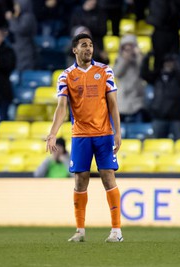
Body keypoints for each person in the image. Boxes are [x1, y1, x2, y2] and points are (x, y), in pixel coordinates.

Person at [45, 33, 123, 243]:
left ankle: (116, 231)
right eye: (84, 45)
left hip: (104, 133)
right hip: (80, 135)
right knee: (80, 181)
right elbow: (62, 107)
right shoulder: (66, 76)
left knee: (108, 176)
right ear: (75, 50)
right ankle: (80, 231)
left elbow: (113, 103)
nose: (88, 48)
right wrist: (53, 133)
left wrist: (118, 131)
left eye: (90, 45)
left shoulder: (105, 71)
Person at [140, 52, 180, 139]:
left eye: (171, 62)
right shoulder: (157, 77)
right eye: (166, 62)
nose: (169, 64)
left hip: (176, 116)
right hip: (160, 116)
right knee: (157, 144)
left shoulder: (179, 78)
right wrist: (147, 59)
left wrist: (178, 62)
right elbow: (144, 74)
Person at [114, 34, 147, 123]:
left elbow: (144, 72)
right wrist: (125, 60)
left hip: (137, 102)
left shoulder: (139, 59)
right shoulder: (119, 60)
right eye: (126, 49)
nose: (129, 51)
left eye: (131, 48)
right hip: (122, 102)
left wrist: (139, 56)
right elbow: (116, 73)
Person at [6, 0, 37, 71]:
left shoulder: (28, 16)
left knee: (25, 70)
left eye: (17, 5)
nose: (15, 8)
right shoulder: (18, 17)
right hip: (17, 48)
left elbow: (20, 29)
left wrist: (11, 19)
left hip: (25, 49)